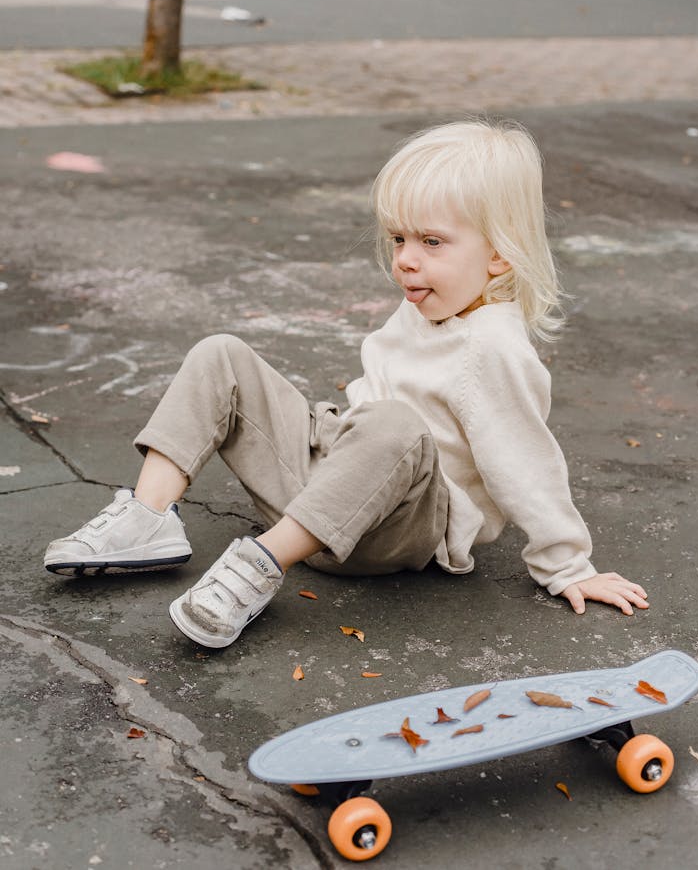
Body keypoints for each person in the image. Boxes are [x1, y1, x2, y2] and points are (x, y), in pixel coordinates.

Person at [44, 119, 648, 648]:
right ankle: (147, 520)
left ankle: (256, 568)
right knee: (221, 354)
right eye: (400, 239)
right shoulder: (433, 302)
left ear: (499, 257)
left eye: (432, 242)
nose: (406, 259)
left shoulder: (493, 346)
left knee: (396, 425)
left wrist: (568, 566)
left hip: (394, 532)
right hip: (334, 484)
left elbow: (524, 460)